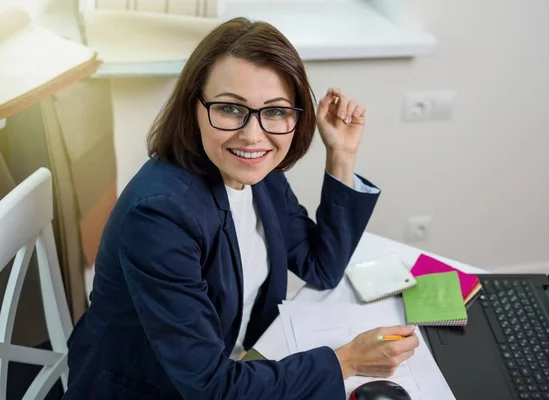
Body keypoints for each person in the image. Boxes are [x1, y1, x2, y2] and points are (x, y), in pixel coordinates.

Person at [64, 17, 419, 400]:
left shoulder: (258, 174)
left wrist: (341, 155)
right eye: (231, 109)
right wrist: (345, 361)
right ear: (194, 108)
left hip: (235, 366)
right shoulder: (161, 217)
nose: (253, 135)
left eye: (276, 111)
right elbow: (211, 388)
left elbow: (321, 267)